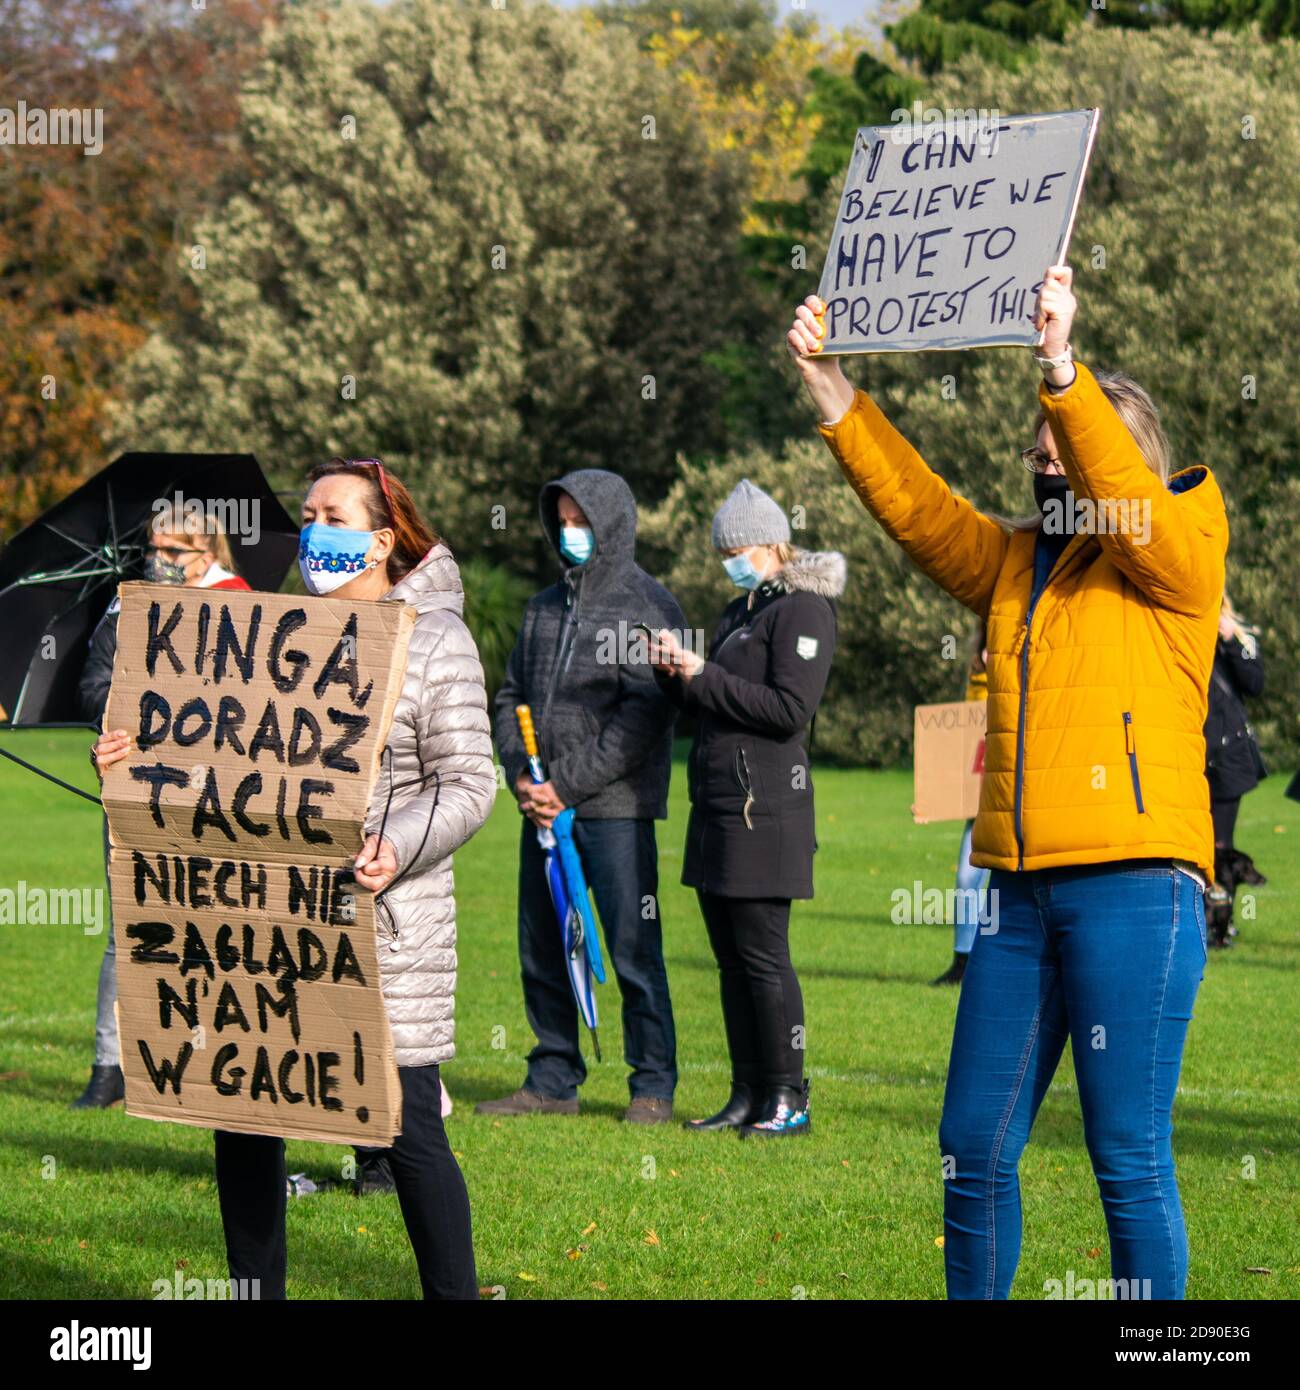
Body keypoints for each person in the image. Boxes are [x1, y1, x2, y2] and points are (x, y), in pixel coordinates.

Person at [789, 265, 1227, 1300]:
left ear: (1117, 457)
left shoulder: (1180, 547)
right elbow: (920, 511)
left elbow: (1119, 491)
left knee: (1125, 1156)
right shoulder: (1017, 565)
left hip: (1135, 888)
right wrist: (832, 392)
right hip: (1017, 895)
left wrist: (1059, 369)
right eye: (1034, 449)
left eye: (1059, 445)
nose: (1042, 459)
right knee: (969, 1149)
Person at [93, 457, 495, 1299]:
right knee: (243, 1110)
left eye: (334, 515)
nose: (315, 530)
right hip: (265, 923)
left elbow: (468, 783)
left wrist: (394, 844)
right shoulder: (272, 636)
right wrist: (135, 765)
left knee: (408, 1130)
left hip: (383, 930)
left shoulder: (435, 638)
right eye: (307, 513)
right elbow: (213, 769)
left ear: (383, 538)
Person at [480, 469, 684, 1123]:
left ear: (612, 524)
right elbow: (509, 696)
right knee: (543, 945)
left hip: (615, 813)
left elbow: (642, 721)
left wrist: (564, 784)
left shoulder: (647, 605)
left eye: (581, 523)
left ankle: (651, 1086)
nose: (570, 534)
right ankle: (552, 1080)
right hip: (541, 811)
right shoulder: (542, 607)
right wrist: (523, 774)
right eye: (562, 522)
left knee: (632, 949)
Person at [650, 479, 843, 1137]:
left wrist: (704, 675)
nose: (730, 557)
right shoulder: (742, 611)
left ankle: (788, 1096)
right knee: (730, 961)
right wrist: (676, 678)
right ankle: (745, 1094)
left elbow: (791, 710)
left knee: (764, 958)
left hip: (767, 814)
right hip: (717, 808)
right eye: (723, 548)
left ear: (772, 541)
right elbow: (716, 702)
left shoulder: (803, 610)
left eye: (740, 545)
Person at [71, 504, 252, 1110]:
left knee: (213, 926)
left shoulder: (239, 600)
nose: (161, 560)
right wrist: (117, 720)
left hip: (214, 793)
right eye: (155, 547)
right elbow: (95, 680)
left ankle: (206, 1061)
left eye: (176, 551)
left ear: (209, 553)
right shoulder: (127, 603)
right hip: (134, 781)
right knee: (127, 928)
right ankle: (108, 1066)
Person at [1202, 594, 1267, 947]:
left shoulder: (1241, 638)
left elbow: (1255, 684)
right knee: (1192, 845)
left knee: (1220, 846)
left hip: (1228, 759)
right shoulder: (1187, 633)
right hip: (1193, 756)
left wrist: (1229, 638)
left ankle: (1221, 925)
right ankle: (1202, 918)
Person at [932, 626, 989, 987]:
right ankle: (962, 960)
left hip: (1010, 794)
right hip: (978, 792)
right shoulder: (974, 673)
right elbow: (962, 737)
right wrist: (934, 794)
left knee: (1003, 886)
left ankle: (990, 965)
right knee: (966, 878)